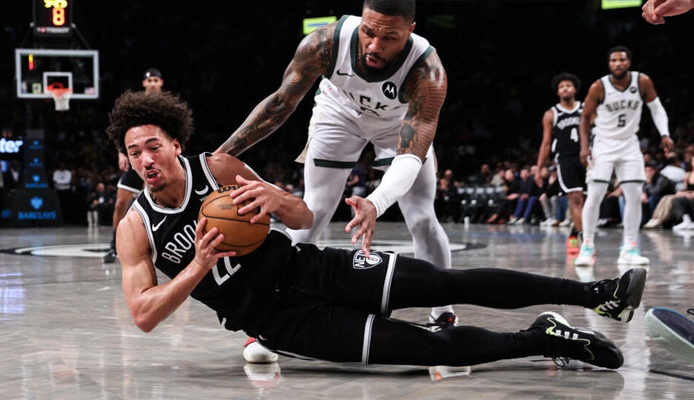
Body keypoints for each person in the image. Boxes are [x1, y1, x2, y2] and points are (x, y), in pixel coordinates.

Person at [109, 90, 647, 371]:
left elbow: (300, 218)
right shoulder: (136, 228)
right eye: (135, 152)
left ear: (175, 143)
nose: (146, 158)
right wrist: (200, 264)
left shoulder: (219, 169)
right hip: (283, 322)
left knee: (444, 282)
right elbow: (144, 315)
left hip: (314, 268)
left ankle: (596, 295)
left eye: (154, 144)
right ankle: (543, 337)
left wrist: (278, 200)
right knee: (432, 352)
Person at [218, 0, 457, 359]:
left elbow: (410, 156)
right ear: (361, 19)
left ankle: (443, 313)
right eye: (369, 32)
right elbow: (281, 104)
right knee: (314, 209)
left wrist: (375, 202)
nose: (374, 45)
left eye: (388, 38)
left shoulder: (428, 72)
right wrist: (220, 156)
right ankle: (274, 314)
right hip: (338, 111)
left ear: (410, 30)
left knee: (422, 217)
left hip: (398, 124)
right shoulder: (325, 43)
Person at [575, 46, 673, 266]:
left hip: (629, 144)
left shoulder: (642, 82)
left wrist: (665, 134)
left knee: (634, 196)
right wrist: (584, 147)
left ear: (629, 62)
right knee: (595, 195)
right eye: (613, 61)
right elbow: (584, 118)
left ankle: (629, 247)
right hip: (603, 143)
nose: (617, 64)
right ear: (609, 64)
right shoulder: (599, 86)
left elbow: (657, 109)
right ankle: (587, 246)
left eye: (621, 60)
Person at [104, 68, 164, 263]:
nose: (153, 83)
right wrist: (122, 152)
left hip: (159, 159)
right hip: (137, 158)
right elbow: (121, 130)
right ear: (144, 84)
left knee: (159, 202)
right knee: (121, 202)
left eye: (156, 80)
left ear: (161, 83)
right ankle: (114, 245)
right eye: (150, 81)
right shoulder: (137, 105)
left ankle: (156, 244)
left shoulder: (167, 106)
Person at [535, 73, 586, 254]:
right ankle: (585, 241)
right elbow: (546, 143)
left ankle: (574, 233)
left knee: (586, 202)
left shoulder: (586, 108)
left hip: (587, 157)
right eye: (561, 86)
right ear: (557, 92)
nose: (565, 88)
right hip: (565, 159)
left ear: (575, 89)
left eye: (568, 85)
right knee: (576, 199)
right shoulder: (551, 114)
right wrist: (539, 168)